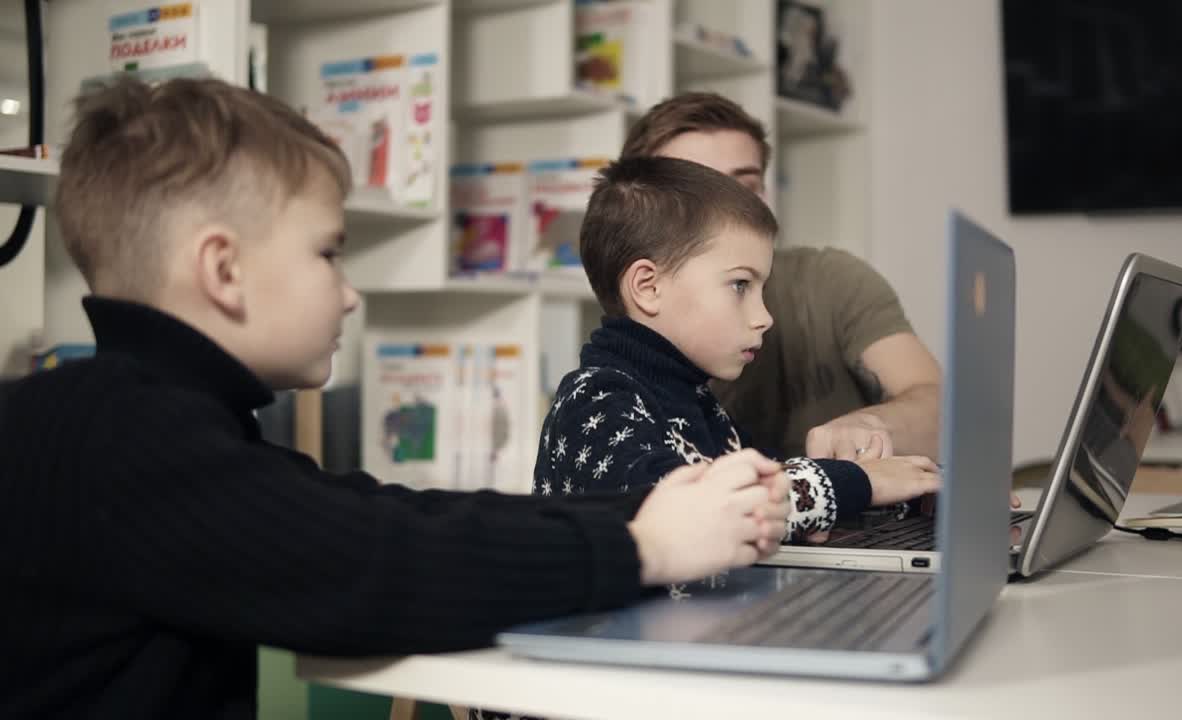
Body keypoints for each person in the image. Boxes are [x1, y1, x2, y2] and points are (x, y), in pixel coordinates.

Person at [0, 76, 792, 718]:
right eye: (328, 253)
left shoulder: (145, 422)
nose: (347, 295)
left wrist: (643, 511)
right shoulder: (119, 439)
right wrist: (647, 547)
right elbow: (376, 561)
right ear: (223, 269)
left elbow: (384, 514)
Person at [533, 155, 940, 542]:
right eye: (741, 285)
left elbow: (780, 495)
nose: (765, 316)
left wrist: (911, 491)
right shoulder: (597, 400)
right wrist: (860, 482)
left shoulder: (698, 406)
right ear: (648, 288)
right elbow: (695, 512)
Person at [620, 92, 943, 463]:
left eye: (745, 186)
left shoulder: (829, 280)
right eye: (698, 190)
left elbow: (938, 403)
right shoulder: (628, 351)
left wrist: (871, 426)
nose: (731, 209)